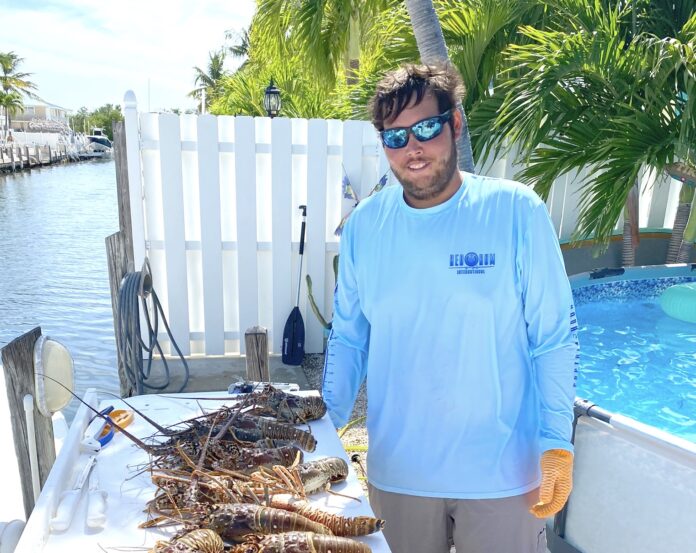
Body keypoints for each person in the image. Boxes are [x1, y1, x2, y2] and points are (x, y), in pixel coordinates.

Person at [322, 63, 578, 553]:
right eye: (395, 136)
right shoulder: (363, 227)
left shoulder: (516, 212)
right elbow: (349, 337)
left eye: (425, 128)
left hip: (503, 474)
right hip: (399, 475)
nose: (412, 148)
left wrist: (555, 440)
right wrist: (324, 428)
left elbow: (554, 337)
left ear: (455, 123)